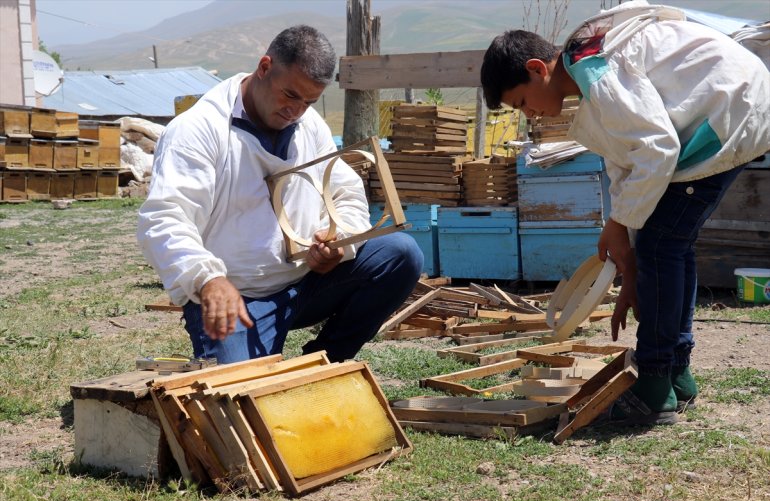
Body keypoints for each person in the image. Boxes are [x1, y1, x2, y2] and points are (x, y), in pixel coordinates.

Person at [481, 0, 770, 424]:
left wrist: (620, 224)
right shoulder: (589, 71)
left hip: (731, 112)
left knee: (662, 243)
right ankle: (676, 373)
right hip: (735, 107)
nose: (529, 115)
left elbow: (657, 147)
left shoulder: (595, 68)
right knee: (668, 243)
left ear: (538, 68)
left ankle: (654, 385)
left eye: (523, 101)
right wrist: (628, 260)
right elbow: (630, 160)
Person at [137, 25, 423, 365]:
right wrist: (208, 279)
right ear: (264, 67)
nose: (297, 111)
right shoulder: (197, 130)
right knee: (241, 397)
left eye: (310, 101)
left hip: (305, 286)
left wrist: (339, 243)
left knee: (400, 254)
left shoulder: (308, 124)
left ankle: (325, 362)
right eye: (290, 95)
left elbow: (345, 190)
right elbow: (164, 219)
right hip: (236, 298)